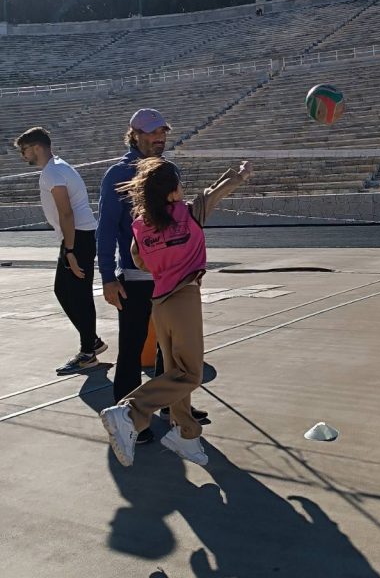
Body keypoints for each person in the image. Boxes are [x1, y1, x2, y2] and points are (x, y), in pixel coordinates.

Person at [100, 156, 253, 467]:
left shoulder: (140, 225)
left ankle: (185, 433)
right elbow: (214, 192)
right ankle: (130, 411)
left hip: (160, 302)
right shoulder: (190, 214)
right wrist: (239, 175)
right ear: (172, 191)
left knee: (174, 371)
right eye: (180, 184)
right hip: (184, 297)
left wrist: (165, 259)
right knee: (190, 374)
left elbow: (140, 262)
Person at [96, 108, 210, 447]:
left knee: (172, 351)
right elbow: (106, 228)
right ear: (134, 135)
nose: (159, 137)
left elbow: (180, 221)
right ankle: (127, 418)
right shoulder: (118, 174)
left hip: (172, 278)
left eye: (162, 131)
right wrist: (107, 276)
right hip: (133, 276)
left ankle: (173, 409)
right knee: (131, 348)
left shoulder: (168, 169)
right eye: (151, 132)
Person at [15, 126, 106, 373]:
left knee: (76, 294)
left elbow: (66, 213)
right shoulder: (59, 167)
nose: (23, 156)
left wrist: (70, 250)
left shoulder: (52, 173)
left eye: (24, 150)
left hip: (77, 237)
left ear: (37, 147)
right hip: (78, 235)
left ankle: (88, 351)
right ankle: (91, 341)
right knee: (68, 291)